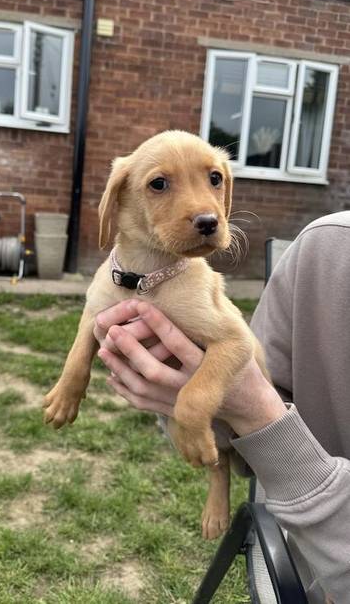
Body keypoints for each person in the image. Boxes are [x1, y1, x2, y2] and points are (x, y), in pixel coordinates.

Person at [93, 211, 350, 604]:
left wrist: (243, 408)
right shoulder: (328, 245)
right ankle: (219, 477)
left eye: (214, 181)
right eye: (159, 184)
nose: (204, 208)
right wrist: (200, 403)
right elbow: (258, 376)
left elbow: (240, 361)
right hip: (297, 522)